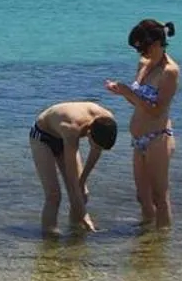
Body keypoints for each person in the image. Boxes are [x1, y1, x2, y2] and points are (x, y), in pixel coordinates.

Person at [104, 18, 180, 228]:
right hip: (138, 139)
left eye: (143, 49)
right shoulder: (144, 64)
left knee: (159, 196)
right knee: (142, 196)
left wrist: (129, 92)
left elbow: (157, 111)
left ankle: (162, 245)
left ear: (156, 44)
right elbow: (137, 102)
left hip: (157, 137)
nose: (141, 54)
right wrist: (121, 92)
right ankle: (146, 245)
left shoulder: (170, 71)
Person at [29, 101, 119, 236]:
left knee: (82, 193)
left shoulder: (106, 121)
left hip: (64, 137)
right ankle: (49, 236)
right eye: (95, 145)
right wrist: (85, 214)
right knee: (54, 195)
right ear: (89, 132)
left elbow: (95, 152)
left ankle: (75, 231)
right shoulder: (72, 128)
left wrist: (82, 181)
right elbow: (71, 180)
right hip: (43, 137)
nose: (96, 149)